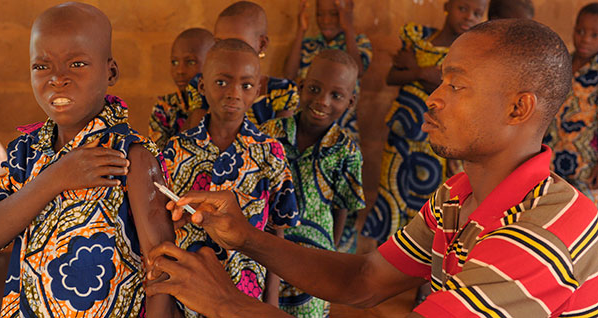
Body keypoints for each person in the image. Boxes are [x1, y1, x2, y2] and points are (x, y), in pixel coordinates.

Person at [148, 19, 598, 318]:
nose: (434, 96)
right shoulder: (458, 196)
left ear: (519, 108)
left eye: (456, 84)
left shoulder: (542, 234)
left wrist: (225, 301)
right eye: (441, 80)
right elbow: (365, 280)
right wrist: (245, 236)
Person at [0, 2, 179, 317]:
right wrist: (56, 177)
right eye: (41, 66)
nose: (57, 78)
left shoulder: (131, 156)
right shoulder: (25, 152)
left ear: (111, 71)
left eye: (77, 64)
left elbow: (163, 269)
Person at [161, 39, 300, 317]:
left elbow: (278, 232)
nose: (234, 93)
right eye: (222, 82)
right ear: (202, 86)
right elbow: (163, 224)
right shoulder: (176, 150)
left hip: (246, 292)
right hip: (186, 291)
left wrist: (270, 299)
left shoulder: (270, 152)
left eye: (246, 86)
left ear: (258, 90)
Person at [363, 0, 487, 245]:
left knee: (429, 207)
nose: (468, 17)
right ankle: (381, 263)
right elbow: (392, 76)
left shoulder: (469, 55)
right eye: (462, 8)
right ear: (447, 7)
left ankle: (421, 278)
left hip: (437, 143)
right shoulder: (418, 38)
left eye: (477, 13)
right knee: (390, 195)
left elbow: (457, 91)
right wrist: (422, 73)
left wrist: (418, 72)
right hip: (402, 134)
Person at [260, 49, 365, 317]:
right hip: (264, 248)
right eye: (315, 89)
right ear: (301, 87)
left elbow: (343, 208)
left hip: (315, 260)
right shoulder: (269, 135)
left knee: (311, 311)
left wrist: (333, 258)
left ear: (350, 102)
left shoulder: (347, 151)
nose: (322, 102)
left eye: (336, 96)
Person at [184, 1, 299, 129]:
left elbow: (282, 143)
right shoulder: (204, 84)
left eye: (238, 43)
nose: (227, 50)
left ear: (262, 45)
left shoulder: (280, 92)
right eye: (219, 42)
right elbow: (193, 137)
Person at [284, 0, 373, 147]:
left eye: (334, 14)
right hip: (307, 129)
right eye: (320, 14)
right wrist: (301, 31)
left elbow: (359, 69)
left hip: (344, 128)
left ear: (347, 13)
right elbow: (289, 75)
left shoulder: (358, 42)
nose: (326, 20)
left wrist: (348, 27)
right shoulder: (309, 45)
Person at [546, 2, 598, 202]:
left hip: (584, 163)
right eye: (580, 31)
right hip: (552, 156)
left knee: (583, 212)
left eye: (594, 35)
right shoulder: (562, 63)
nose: (585, 39)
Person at [149, 28, 214, 151]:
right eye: (174, 62)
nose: (180, 71)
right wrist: (197, 109)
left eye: (190, 62)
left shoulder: (222, 105)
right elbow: (159, 157)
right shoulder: (164, 107)